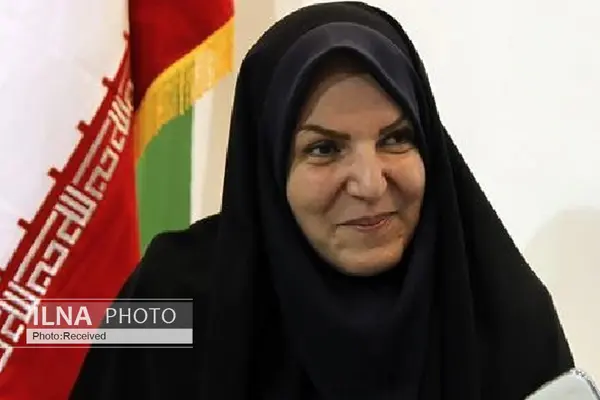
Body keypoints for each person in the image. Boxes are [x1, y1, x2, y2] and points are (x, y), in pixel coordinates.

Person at [70, 2, 574, 399]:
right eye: (324, 149)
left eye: (396, 139)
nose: (370, 184)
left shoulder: (501, 312)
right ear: (267, 166)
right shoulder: (167, 302)